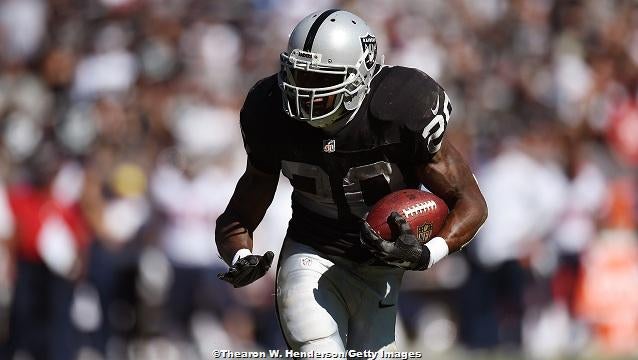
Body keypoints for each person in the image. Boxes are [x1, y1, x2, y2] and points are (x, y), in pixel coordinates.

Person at [215, 9, 488, 356]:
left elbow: (471, 203)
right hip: (312, 253)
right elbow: (240, 211)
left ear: (362, 77)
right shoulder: (269, 112)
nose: (303, 91)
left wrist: (426, 254)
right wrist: (239, 254)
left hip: (382, 266)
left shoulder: (402, 107)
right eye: (298, 75)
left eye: (320, 80)